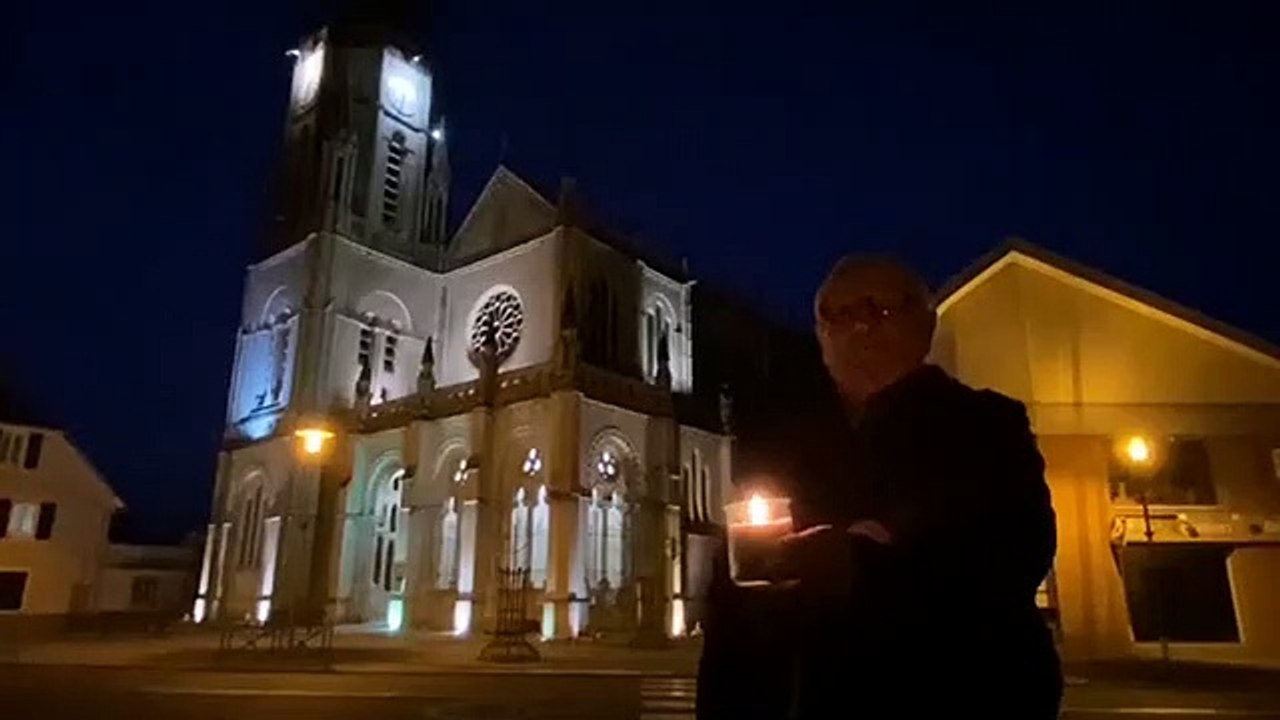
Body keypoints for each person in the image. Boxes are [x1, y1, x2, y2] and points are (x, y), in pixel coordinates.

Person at [696, 254, 1062, 718]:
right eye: (838, 315)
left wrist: (859, 569)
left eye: (878, 310)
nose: (860, 328)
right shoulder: (783, 440)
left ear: (925, 326)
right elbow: (732, 612)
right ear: (820, 336)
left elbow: (1015, 552)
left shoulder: (983, 426)